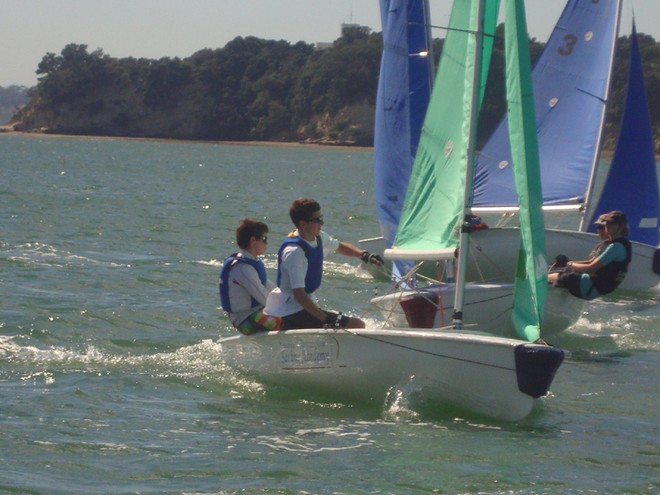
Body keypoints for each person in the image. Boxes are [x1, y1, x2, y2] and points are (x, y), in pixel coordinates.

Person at [264, 197, 383, 330]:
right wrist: (326, 319)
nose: (322, 223)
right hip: (290, 311)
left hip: (302, 306)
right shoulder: (294, 253)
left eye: (321, 217)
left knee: (354, 323)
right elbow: (299, 295)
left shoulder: (319, 237)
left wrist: (364, 255)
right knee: (358, 325)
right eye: (317, 220)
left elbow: (340, 247)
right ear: (303, 224)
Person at [548, 210, 632, 300]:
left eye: (612, 223)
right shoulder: (621, 244)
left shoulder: (616, 247)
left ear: (621, 226)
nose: (607, 226)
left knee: (547, 278)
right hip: (592, 287)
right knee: (564, 273)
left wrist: (568, 264)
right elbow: (591, 262)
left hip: (589, 288)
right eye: (607, 223)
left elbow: (591, 268)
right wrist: (569, 263)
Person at [219, 218, 282, 335]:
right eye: (264, 238)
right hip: (245, 320)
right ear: (253, 240)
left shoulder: (250, 263)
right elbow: (265, 299)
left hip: (256, 313)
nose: (266, 243)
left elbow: (272, 289)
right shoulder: (243, 268)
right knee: (290, 319)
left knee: (297, 312)